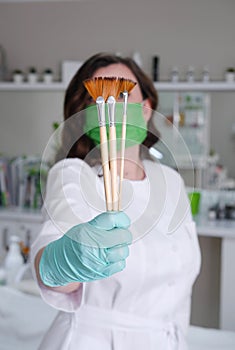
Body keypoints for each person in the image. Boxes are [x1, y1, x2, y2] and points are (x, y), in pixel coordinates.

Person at [31, 52, 201, 350]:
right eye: (98, 100)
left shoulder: (171, 182)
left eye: (122, 94)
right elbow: (51, 273)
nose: (110, 107)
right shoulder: (73, 175)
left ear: (146, 108)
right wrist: (67, 261)